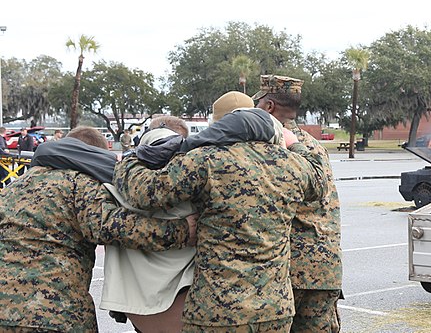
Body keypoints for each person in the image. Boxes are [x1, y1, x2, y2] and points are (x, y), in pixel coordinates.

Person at [114, 98, 325, 332]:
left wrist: (130, 160)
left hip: (218, 311)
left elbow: (145, 192)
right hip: (275, 310)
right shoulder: (291, 165)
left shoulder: (206, 159)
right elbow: (319, 181)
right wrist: (294, 144)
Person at [0, 126, 197, 332]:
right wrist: (182, 231)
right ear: (93, 155)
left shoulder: (14, 187)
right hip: (54, 313)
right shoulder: (80, 182)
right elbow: (110, 225)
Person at [253, 74, 343, 333]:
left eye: (257, 106)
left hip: (291, 271)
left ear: (268, 107)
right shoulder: (313, 145)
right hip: (326, 269)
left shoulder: (273, 144)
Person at [101, 116, 196, 333]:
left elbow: (104, 226)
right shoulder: (198, 175)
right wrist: (182, 230)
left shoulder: (116, 178)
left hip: (136, 303)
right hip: (188, 298)